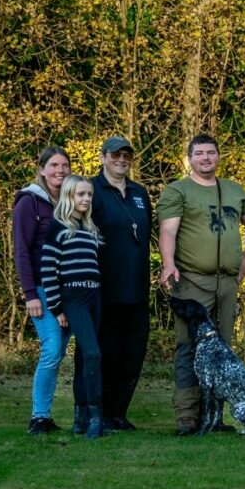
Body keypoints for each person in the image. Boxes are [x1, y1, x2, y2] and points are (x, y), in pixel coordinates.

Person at [158, 134, 245, 436]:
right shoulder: (178, 190)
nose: (206, 158)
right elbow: (168, 230)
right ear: (190, 158)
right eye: (199, 153)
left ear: (219, 156)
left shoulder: (234, 190)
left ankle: (214, 417)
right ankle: (187, 416)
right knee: (189, 347)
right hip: (192, 280)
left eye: (211, 152)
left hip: (226, 282)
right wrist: (168, 263)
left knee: (221, 352)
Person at [89, 136, 152, 431]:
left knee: (132, 354)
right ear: (103, 157)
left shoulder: (140, 193)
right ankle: (99, 413)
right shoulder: (91, 190)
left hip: (137, 289)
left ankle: (118, 414)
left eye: (126, 156)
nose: (121, 160)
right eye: (115, 155)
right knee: (106, 354)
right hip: (104, 289)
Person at [40, 175, 106, 439]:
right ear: (69, 195)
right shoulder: (57, 227)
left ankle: (80, 419)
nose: (86, 199)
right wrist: (57, 308)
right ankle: (96, 418)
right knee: (93, 354)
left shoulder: (90, 228)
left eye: (89, 194)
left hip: (94, 296)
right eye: (81, 194)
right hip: (73, 297)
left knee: (84, 356)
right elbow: (48, 270)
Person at [13, 147, 72, 435]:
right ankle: (38, 417)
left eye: (65, 165)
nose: (60, 170)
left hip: (69, 290)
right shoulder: (30, 203)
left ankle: (46, 417)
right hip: (42, 289)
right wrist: (30, 294)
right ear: (42, 169)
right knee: (51, 349)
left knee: (58, 352)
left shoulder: (70, 202)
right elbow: (21, 250)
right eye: (54, 165)